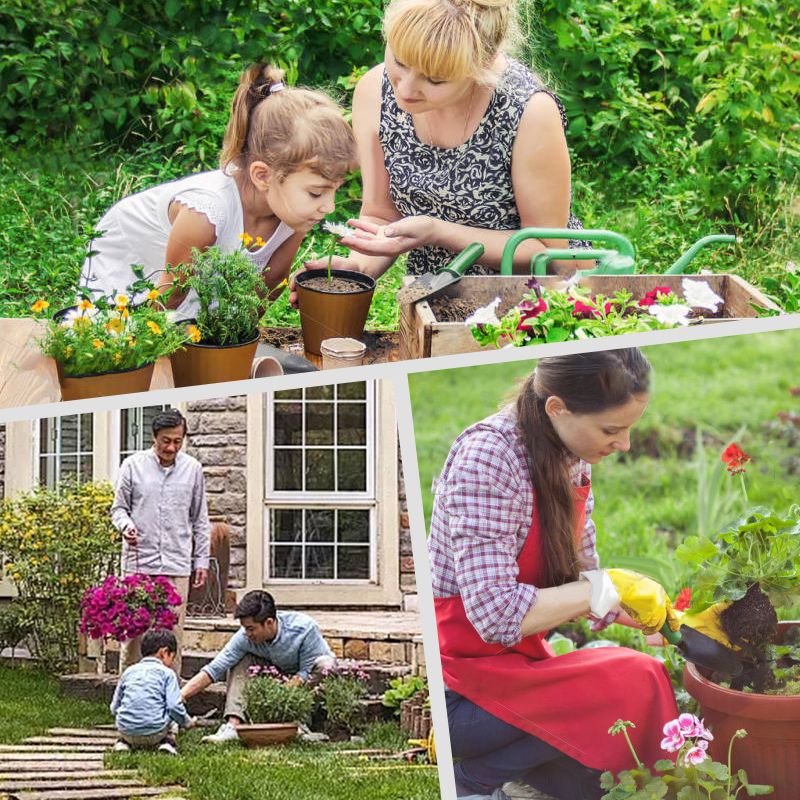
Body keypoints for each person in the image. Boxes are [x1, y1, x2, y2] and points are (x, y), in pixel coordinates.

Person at [428, 349, 680, 800]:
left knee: (597, 771)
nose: (624, 444)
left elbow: (581, 578)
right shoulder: (488, 458)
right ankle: (474, 781)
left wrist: (657, 618)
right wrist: (603, 587)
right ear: (557, 408)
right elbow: (496, 616)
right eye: (611, 430)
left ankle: (507, 775)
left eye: (629, 428)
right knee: (630, 679)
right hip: (457, 689)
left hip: (515, 665)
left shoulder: (570, 453)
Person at [289, 0, 588, 307]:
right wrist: (357, 268)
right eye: (400, 61)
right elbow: (381, 214)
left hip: (539, 301)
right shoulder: (375, 92)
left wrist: (437, 232)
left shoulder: (529, 111)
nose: (405, 89)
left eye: (435, 79)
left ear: (482, 65)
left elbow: (547, 251)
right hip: (438, 297)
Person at [80, 63, 357, 318]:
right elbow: (170, 294)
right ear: (263, 176)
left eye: (335, 190)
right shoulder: (206, 212)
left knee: (209, 320)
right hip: (134, 262)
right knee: (125, 330)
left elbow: (270, 284)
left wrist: (239, 335)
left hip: (195, 271)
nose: (329, 207)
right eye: (316, 193)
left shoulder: (294, 213)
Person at [111, 408, 210, 676]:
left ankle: (169, 690)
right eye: (166, 440)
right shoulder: (132, 465)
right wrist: (126, 526)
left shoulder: (192, 469)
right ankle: (131, 688)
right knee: (135, 634)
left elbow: (200, 519)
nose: (171, 447)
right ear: (154, 437)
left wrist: (201, 561)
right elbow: (118, 509)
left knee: (171, 635)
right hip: (139, 564)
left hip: (176, 564)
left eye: (178, 441)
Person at [180, 590, 336, 744]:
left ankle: (302, 723)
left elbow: (305, 673)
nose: (247, 633)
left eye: (251, 628)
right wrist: (181, 695)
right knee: (241, 659)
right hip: (276, 678)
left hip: (306, 681)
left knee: (326, 665)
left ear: (269, 622)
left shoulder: (304, 628)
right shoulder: (244, 637)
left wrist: (281, 694)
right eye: (245, 628)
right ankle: (233, 726)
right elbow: (215, 668)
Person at [111, 629, 196, 755]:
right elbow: (174, 706)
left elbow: (114, 708)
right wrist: (187, 722)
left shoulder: (128, 671)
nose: (171, 663)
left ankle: (123, 743)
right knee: (171, 713)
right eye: (172, 657)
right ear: (164, 652)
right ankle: (167, 743)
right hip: (155, 733)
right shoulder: (167, 674)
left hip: (126, 731)